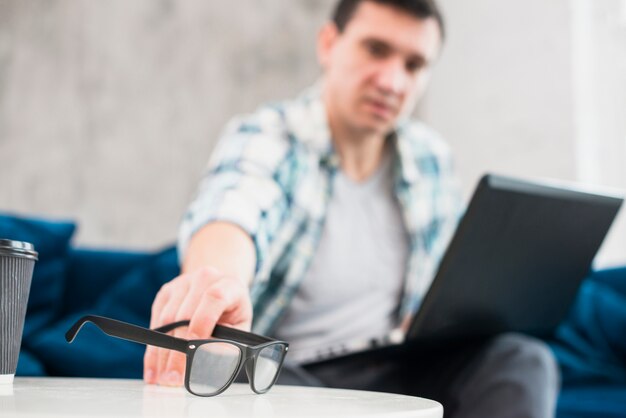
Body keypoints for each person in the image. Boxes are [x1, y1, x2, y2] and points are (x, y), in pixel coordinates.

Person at [144, 0, 560, 416]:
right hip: (290, 371)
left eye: (413, 65)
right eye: (376, 50)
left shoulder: (430, 158)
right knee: (230, 366)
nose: (393, 81)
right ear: (329, 44)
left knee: (523, 360)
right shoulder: (271, 137)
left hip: (398, 365)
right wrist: (218, 279)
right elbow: (234, 206)